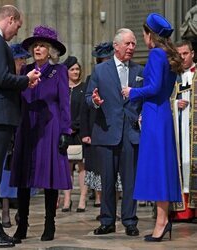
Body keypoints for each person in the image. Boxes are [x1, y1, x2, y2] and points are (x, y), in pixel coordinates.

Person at [0, 5, 41, 248]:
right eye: (17, 27)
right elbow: (2, 78)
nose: (16, 33)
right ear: (10, 19)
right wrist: (27, 79)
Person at [122, 13, 183, 242]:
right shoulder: (165, 54)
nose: (143, 38)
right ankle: (162, 219)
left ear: (150, 35)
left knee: (157, 168)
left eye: (144, 34)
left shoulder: (157, 54)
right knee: (161, 167)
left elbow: (155, 87)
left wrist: (132, 92)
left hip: (156, 116)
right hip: (159, 114)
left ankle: (162, 221)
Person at [10, 25, 72, 242]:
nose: (37, 49)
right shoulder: (24, 70)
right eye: (35, 45)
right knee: (23, 178)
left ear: (50, 51)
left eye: (42, 46)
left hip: (50, 127)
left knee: (49, 177)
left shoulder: (59, 71)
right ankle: (22, 225)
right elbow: (17, 100)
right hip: (26, 127)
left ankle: (49, 223)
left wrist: (66, 130)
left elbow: (65, 103)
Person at [85, 29, 143, 236]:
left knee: (130, 182)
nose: (131, 48)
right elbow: (87, 99)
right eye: (127, 44)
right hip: (106, 132)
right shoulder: (100, 71)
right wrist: (94, 101)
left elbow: (144, 99)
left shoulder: (140, 71)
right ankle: (107, 221)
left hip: (130, 133)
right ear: (116, 46)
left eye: (134, 44)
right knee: (107, 181)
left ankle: (130, 221)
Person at [0, 43, 31, 228]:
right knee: (6, 174)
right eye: (19, 59)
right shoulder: (8, 79)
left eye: (23, 60)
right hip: (10, 131)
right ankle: (4, 212)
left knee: (25, 173)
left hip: (26, 129)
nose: (22, 63)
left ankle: (21, 210)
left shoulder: (29, 79)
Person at [81, 42, 115, 215]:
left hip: (114, 126)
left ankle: (113, 207)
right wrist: (85, 132)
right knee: (98, 168)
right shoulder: (92, 78)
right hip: (97, 127)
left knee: (114, 171)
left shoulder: (118, 75)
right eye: (103, 59)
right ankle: (102, 204)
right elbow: (85, 108)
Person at [171, 40, 197, 222]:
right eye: (179, 54)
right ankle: (181, 212)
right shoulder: (173, 77)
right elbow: (164, 98)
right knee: (181, 163)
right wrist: (174, 103)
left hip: (194, 129)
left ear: (193, 53)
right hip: (179, 129)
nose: (182, 57)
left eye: (185, 53)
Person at [61, 56, 87, 213]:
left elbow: (85, 110)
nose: (76, 72)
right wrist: (66, 127)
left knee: (82, 166)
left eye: (77, 69)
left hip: (80, 131)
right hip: (65, 131)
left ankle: (82, 199)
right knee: (66, 166)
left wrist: (75, 126)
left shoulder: (84, 87)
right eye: (72, 69)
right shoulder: (62, 88)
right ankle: (66, 199)